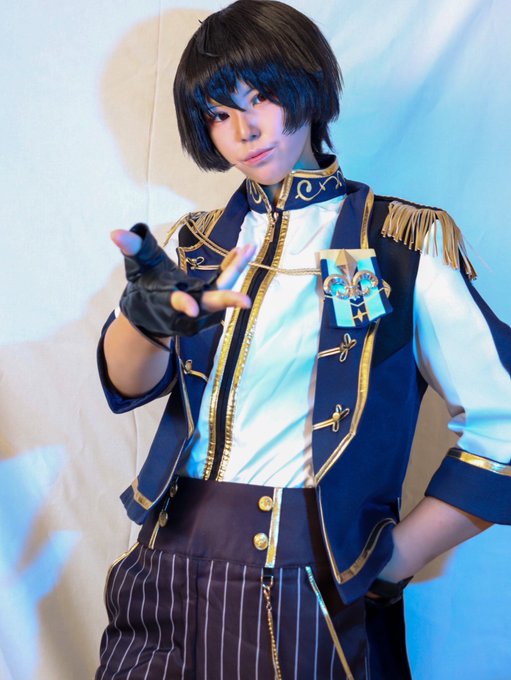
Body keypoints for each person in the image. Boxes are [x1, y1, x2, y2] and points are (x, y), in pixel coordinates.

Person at [95, 1, 511, 678]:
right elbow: (127, 384)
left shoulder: (396, 245)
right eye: (219, 114)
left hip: (295, 583)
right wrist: (144, 318)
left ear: (307, 84)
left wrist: (392, 561)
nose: (244, 130)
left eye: (259, 97)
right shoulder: (194, 247)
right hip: (159, 568)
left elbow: (504, 422)